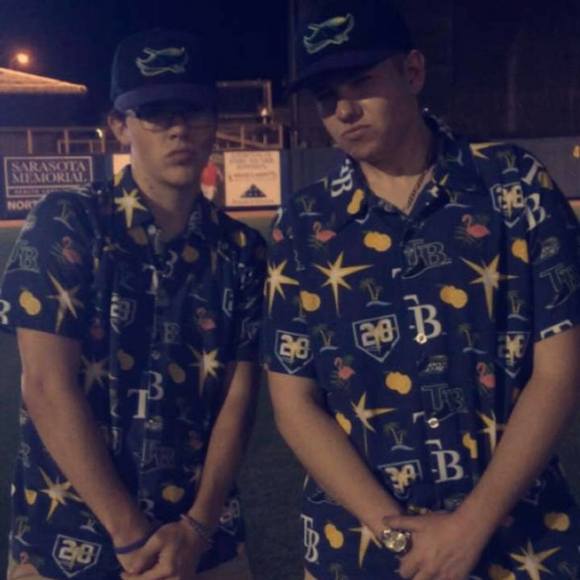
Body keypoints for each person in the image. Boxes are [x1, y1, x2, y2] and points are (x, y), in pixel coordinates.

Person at [262, 1, 580, 578]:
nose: (344, 110)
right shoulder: (304, 224)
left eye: (362, 82)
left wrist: (470, 526)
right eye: (326, 97)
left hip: (521, 541)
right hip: (357, 548)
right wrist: (393, 531)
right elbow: (294, 402)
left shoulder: (514, 186)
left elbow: (559, 370)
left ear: (412, 71)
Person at [0, 29, 265, 580]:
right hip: (70, 544)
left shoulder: (242, 249)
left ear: (214, 121)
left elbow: (238, 399)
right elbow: (45, 387)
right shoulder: (66, 221)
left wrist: (197, 528)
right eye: (155, 113)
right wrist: (133, 538)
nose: (178, 128)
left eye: (193, 109)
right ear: (119, 125)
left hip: (203, 545)